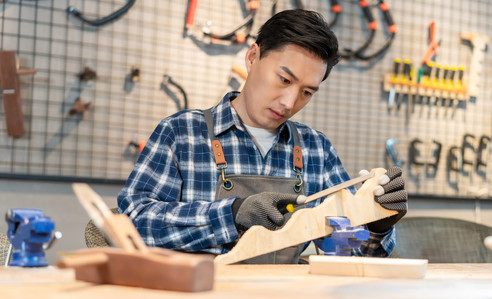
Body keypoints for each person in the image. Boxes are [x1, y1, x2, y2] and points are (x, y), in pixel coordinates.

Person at [118, 9, 407, 264]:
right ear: (253, 57)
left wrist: (376, 224)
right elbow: (132, 226)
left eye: (307, 92)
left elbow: (345, 254)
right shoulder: (182, 134)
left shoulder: (315, 149)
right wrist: (231, 214)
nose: (288, 102)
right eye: (284, 79)